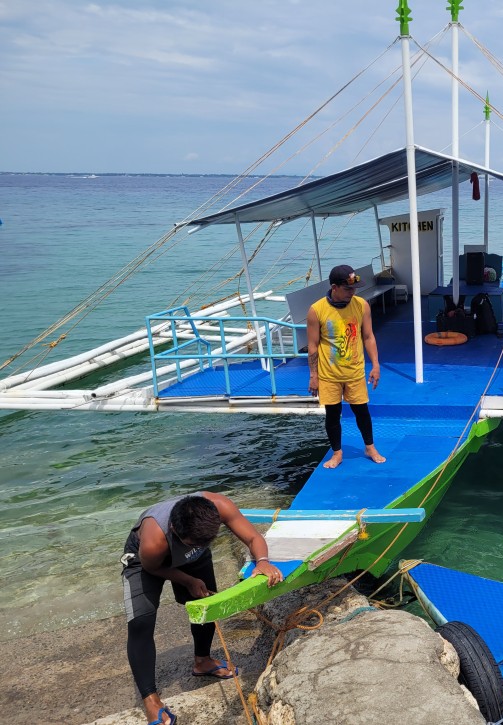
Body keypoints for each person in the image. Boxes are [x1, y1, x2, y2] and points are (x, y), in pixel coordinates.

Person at [121, 491, 283, 725]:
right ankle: (150, 699)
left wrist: (263, 562)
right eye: (196, 543)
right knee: (140, 623)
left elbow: (253, 538)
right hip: (146, 563)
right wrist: (187, 580)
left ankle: (203, 661)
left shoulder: (219, 506)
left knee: (206, 603)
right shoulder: (154, 538)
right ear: (176, 531)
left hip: (192, 553)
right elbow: (153, 567)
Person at [307, 264, 386, 468]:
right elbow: (313, 345)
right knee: (332, 415)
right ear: (334, 287)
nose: (353, 292)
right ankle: (337, 453)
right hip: (329, 374)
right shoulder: (317, 311)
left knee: (362, 411)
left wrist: (376, 365)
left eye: (355, 288)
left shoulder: (361, 305)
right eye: (348, 289)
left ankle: (370, 446)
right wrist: (313, 375)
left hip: (355, 371)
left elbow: (368, 336)